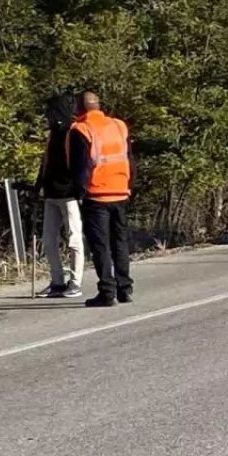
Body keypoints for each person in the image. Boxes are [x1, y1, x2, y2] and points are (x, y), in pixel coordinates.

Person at [67, 92, 135, 307]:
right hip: (121, 190)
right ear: (98, 105)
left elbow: (80, 167)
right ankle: (125, 288)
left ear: (79, 108)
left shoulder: (81, 129)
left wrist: (79, 192)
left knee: (101, 245)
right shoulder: (118, 126)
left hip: (97, 195)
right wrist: (129, 185)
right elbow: (129, 159)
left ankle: (107, 291)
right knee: (120, 242)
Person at [36, 94, 84, 298]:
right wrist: (38, 186)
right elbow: (45, 163)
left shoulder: (73, 132)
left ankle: (75, 282)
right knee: (48, 239)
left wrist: (80, 190)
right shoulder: (52, 134)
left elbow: (80, 165)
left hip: (70, 194)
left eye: (50, 111)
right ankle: (57, 281)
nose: (48, 116)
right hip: (51, 193)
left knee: (74, 239)